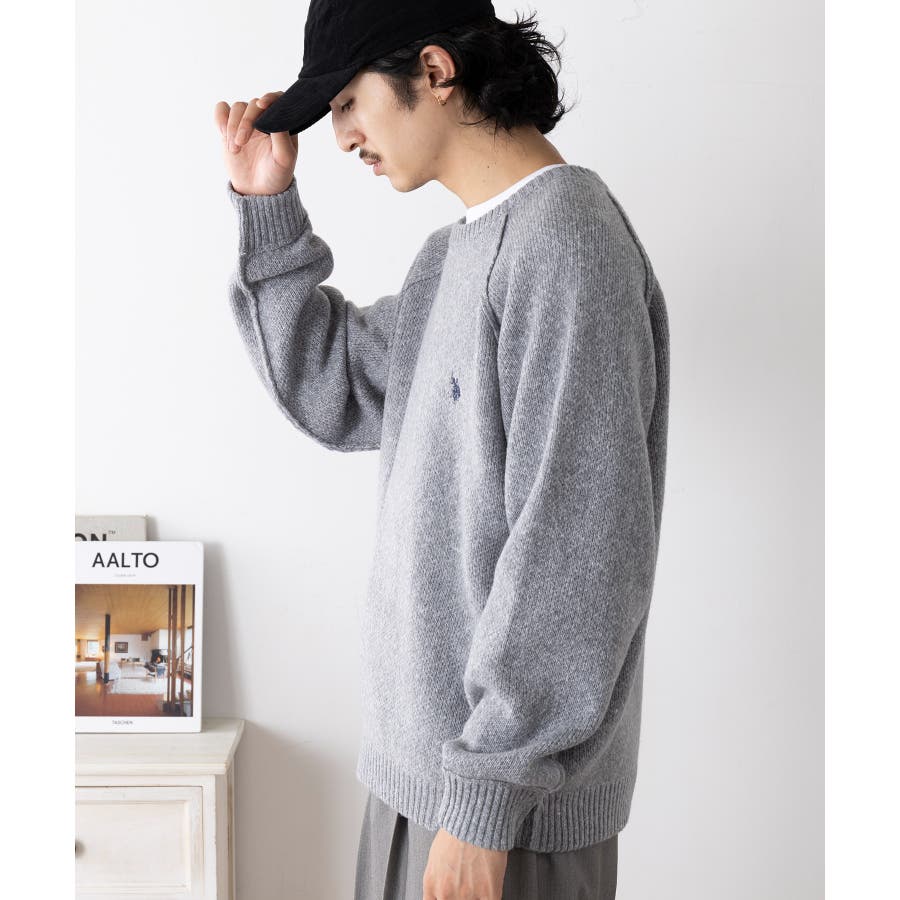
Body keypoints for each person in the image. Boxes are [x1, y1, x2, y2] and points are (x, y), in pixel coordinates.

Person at [214, 2, 669, 898]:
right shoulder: (452, 258)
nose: (342, 137)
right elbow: (332, 388)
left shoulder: (568, 241)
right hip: (424, 783)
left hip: (500, 818)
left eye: (348, 102)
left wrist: (484, 803)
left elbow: (579, 551)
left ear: (433, 71)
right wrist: (267, 207)